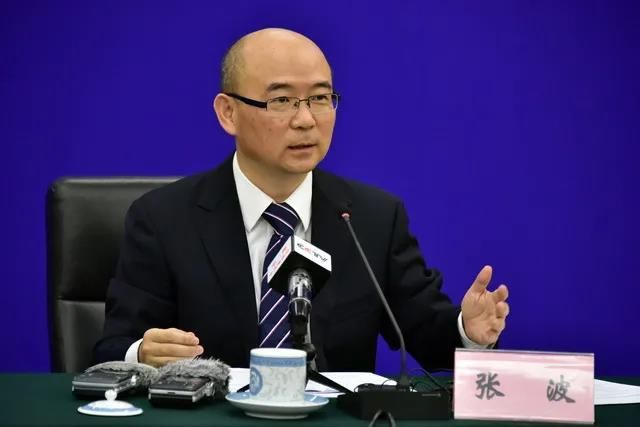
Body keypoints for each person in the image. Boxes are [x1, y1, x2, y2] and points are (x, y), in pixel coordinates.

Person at [94, 28, 510, 372]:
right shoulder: (164, 219)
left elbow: (429, 340)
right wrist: (143, 354)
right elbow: (111, 348)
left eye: (320, 98)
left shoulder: (373, 219)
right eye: (282, 101)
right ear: (228, 113)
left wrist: (468, 331)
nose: (306, 119)